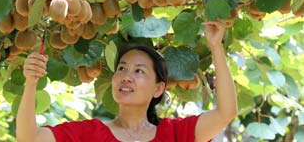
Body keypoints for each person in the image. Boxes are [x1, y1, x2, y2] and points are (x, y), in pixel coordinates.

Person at [16, 21, 237, 141]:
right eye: (121, 68)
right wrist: (31, 83)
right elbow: (30, 139)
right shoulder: (88, 134)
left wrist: (216, 47)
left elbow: (226, 112)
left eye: (139, 71)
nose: (126, 76)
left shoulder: (176, 135)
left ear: (159, 88)